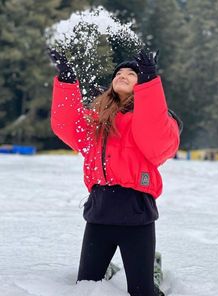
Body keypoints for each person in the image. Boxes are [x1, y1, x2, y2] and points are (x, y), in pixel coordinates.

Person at [49, 47, 181, 296]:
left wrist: (150, 82)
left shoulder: (158, 119)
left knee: (143, 292)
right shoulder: (97, 120)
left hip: (136, 214)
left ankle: (152, 268)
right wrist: (67, 81)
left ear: (142, 82)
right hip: (99, 212)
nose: (122, 74)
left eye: (132, 73)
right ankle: (109, 268)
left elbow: (157, 142)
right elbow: (67, 126)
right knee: (86, 287)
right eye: (119, 72)